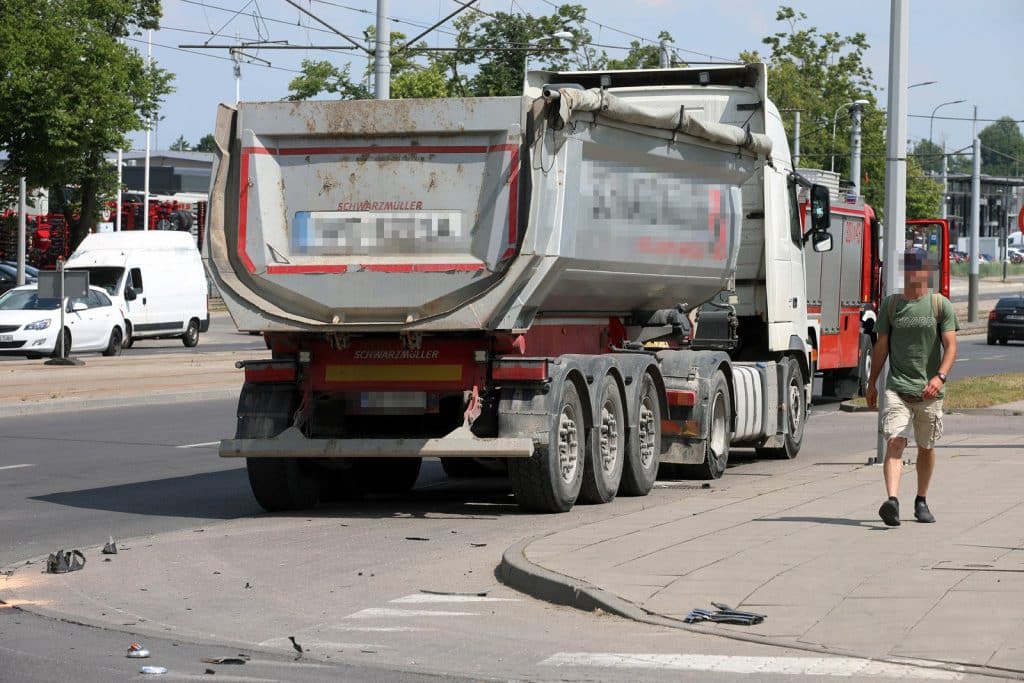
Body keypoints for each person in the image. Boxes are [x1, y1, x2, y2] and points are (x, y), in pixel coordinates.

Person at [865, 249, 959, 527]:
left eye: (919, 268)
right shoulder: (892, 305)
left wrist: (939, 377)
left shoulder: (939, 305)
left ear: (928, 272)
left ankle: (921, 500)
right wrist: (872, 383)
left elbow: (951, 346)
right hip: (897, 388)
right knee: (895, 440)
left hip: (930, 392)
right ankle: (892, 501)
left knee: (926, 447)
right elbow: (881, 346)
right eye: (909, 268)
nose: (913, 273)